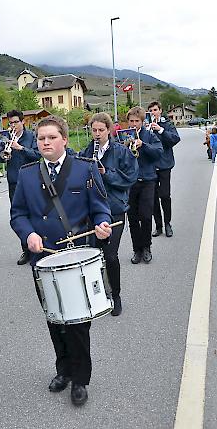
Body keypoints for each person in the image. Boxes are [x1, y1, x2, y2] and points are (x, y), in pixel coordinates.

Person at [10, 115, 112, 406]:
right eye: (41, 138)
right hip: (43, 258)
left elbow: (101, 210)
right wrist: (28, 234)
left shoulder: (85, 169)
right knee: (54, 317)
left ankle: (80, 378)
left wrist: (103, 226)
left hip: (77, 256)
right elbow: (17, 214)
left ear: (64, 139)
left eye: (51, 137)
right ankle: (63, 369)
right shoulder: (28, 174)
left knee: (78, 323)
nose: (45, 143)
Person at [79, 112, 138, 316]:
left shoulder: (121, 151)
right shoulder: (87, 151)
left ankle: (116, 294)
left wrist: (107, 174)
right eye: (93, 130)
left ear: (109, 130)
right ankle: (98, 294)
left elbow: (130, 177)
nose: (97, 134)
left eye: (101, 130)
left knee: (111, 255)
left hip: (115, 209)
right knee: (93, 254)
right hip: (93, 212)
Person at [0, 110, 41, 265]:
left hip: (32, 180)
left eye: (16, 122)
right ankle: (26, 250)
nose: (13, 125)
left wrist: (20, 148)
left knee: (35, 214)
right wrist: (3, 148)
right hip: (14, 181)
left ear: (23, 122)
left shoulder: (32, 137)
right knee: (19, 216)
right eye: (11, 123)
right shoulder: (7, 137)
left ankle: (38, 246)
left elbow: (37, 154)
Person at [125, 107, 163, 265]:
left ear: (142, 121)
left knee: (146, 216)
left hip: (147, 180)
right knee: (132, 218)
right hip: (130, 183)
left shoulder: (149, 135)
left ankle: (147, 247)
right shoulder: (124, 136)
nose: (134, 124)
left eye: (136, 121)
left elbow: (159, 152)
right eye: (131, 121)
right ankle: (137, 249)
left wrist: (143, 145)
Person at [148, 101, 180, 239]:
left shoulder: (167, 125)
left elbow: (175, 139)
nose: (153, 112)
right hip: (150, 167)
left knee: (165, 196)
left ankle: (168, 224)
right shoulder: (146, 126)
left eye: (155, 110)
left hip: (165, 165)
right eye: (151, 110)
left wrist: (160, 130)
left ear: (160, 110)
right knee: (153, 198)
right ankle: (159, 225)